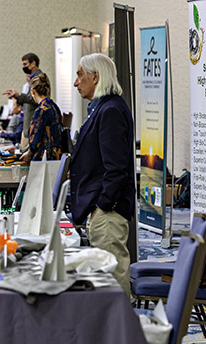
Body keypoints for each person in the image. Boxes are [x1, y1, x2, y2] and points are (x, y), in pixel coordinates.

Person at [70, 53, 135, 295]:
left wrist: (103, 205)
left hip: (108, 213)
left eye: (80, 75)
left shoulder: (110, 111)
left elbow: (116, 168)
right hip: (100, 209)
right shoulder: (103, 108)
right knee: (105, 279)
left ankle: (121, 331)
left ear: (95, 77)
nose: (76, 83)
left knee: (113, 283)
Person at [3, 53, 42, 151]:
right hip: (28, 123)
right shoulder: (33, 78)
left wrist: (19, 95)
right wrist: (17, 96)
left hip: (33, 122)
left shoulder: (39, 78)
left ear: (33, 64)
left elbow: (36, 99)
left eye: (25, 64)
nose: (23, 67)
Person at [20, 73, 62, 162]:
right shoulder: (54, 106)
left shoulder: (41, 110)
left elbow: (36, 137)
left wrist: (28, 153)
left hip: (43, 158)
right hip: (56, 156)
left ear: (32, 91)